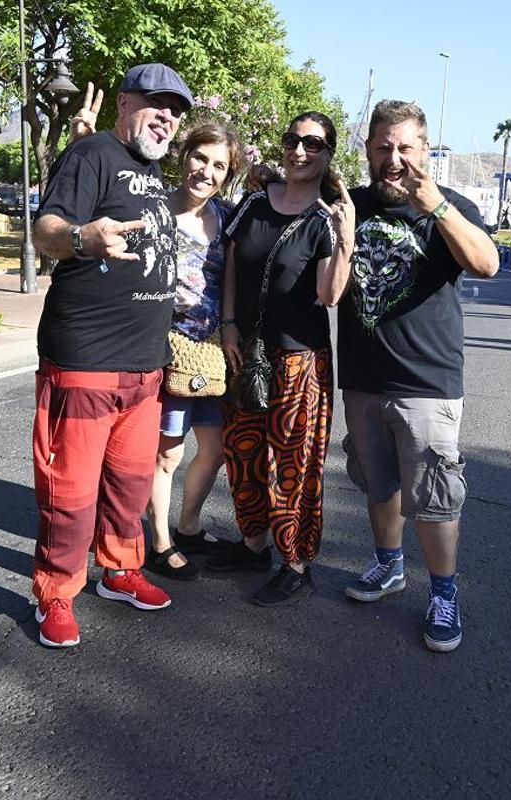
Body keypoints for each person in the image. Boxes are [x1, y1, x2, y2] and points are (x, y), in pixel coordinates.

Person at [28, 63, 193, 648]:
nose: (168, 116)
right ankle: (55, 593)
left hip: (143, 367)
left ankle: (120, 570)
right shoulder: (92, 153)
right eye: (157, 102)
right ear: (125, 104)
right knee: (70, 491)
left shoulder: (148, 172)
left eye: (177, 109)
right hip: (86, 357)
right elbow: (43, 228)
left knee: (127, 484)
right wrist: (81, 239)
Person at [339, 100, 499, 653]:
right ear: (368, 151)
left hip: (427, 384)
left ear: (424, 150)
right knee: (377, 485)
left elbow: (487, 264)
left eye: (404, 147)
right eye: (383, 146)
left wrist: (437, 208)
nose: (393, 158)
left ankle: (444, 593)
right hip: (362, 379)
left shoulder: (452, 206)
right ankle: (388, 566)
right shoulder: (351, 206)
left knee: (432, 498)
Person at [207, 111, 355, 607]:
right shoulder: (252, 201)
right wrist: (227, 322)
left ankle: (296, 562)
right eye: (293, 140)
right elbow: (231, 266)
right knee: (242, 453)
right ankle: (253, 545)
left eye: (313, 144)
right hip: (244, 349)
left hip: (299, 358)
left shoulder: (324, 219)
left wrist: (347, 241)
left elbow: (329, 295)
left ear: (328, 153)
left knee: (295, 464)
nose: (299, 150)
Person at [144, 123, 247, 580]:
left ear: (227, 175)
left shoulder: (226, 218)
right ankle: (160, 541)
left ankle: (188, 526)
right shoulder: (156, 208)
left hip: (208, 349)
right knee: (167, 453)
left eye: (219, 165)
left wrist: (228, 327)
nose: (206, 171)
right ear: (183, 155)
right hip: (162, 346)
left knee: (214, 447)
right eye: (200, 158)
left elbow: (229, 279)